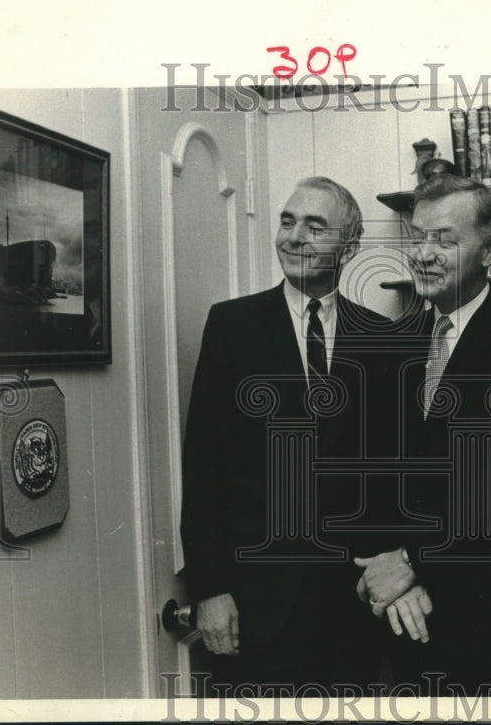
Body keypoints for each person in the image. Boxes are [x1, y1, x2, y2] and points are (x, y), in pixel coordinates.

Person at [354, 173, 491, 696]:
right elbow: (372, 471)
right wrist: (391, 573)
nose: (425, 254)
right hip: (408, 621)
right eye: (418, 238)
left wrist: (411, 563)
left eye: (445, 240)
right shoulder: (394, 343)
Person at [179, 176, 390, 692]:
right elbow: (204, 465)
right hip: (256, 602)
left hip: (354, 604)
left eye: (315, 226)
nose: (293, 236)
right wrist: (211, 589)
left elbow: (391, 476)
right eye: (287, 220)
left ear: (351, 245)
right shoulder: (232, 325)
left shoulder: (383, 337)